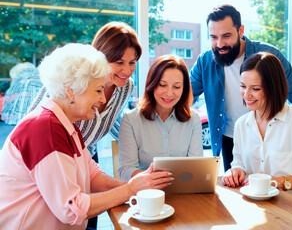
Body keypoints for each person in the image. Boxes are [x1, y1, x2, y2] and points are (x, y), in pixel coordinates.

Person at [0, 43, 173, 230]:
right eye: (98, 90)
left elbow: (93, 176)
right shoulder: (45, 129)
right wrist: (130, 190)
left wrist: (135, 187)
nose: (103, 99)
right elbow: (71, 208)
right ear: (70, 90)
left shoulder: (66, 126)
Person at [190, 4, 292, 171]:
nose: (219, 44)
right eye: (213, 37)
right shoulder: (205, 61)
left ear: (240, 31)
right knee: (237, 188)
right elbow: (185, 95)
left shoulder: (268, 56)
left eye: (226, 36)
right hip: (230, 138)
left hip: (269, 136)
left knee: (271, 186)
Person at [222, 52, 292, 208]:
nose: (247, 95)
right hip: (264, 205)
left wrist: (279, 181)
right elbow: (239, 163)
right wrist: (236, 170)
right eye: (243, 86)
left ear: (273, 88)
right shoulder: (241, 125)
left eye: (255, 88)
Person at [28, 21, 140, 160]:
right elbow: (32, 121)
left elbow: (114, 120)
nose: (127, 71)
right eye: (119, 63)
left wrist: (140, 143)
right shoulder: (72, 77)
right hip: (53, 156)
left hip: (87, 158)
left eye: (132, 62)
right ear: (102, 57)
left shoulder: (125, 87)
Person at [118, 55, 203, 180]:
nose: (169, 93)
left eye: (177, 87)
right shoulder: (131, 120)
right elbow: (126, 170)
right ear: (152, 84)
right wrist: (157, 179)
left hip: (183, 192)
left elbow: (196, 166)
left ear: (184, 89)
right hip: (146, 193)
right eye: (162, 85)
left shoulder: (193, 119)